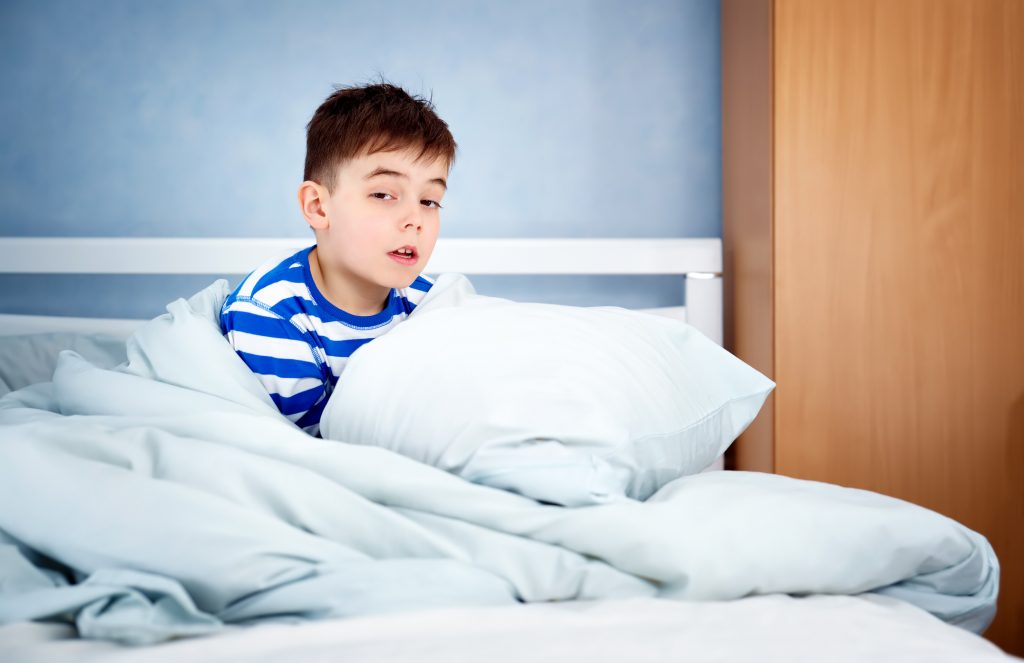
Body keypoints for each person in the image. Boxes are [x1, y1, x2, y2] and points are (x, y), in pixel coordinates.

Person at [220, 82, 455, 436]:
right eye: (383, 194)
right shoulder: (271, 314)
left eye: (429, 201)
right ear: (318, 206)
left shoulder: (428, 304)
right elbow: (308, 450)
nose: (415, 219)